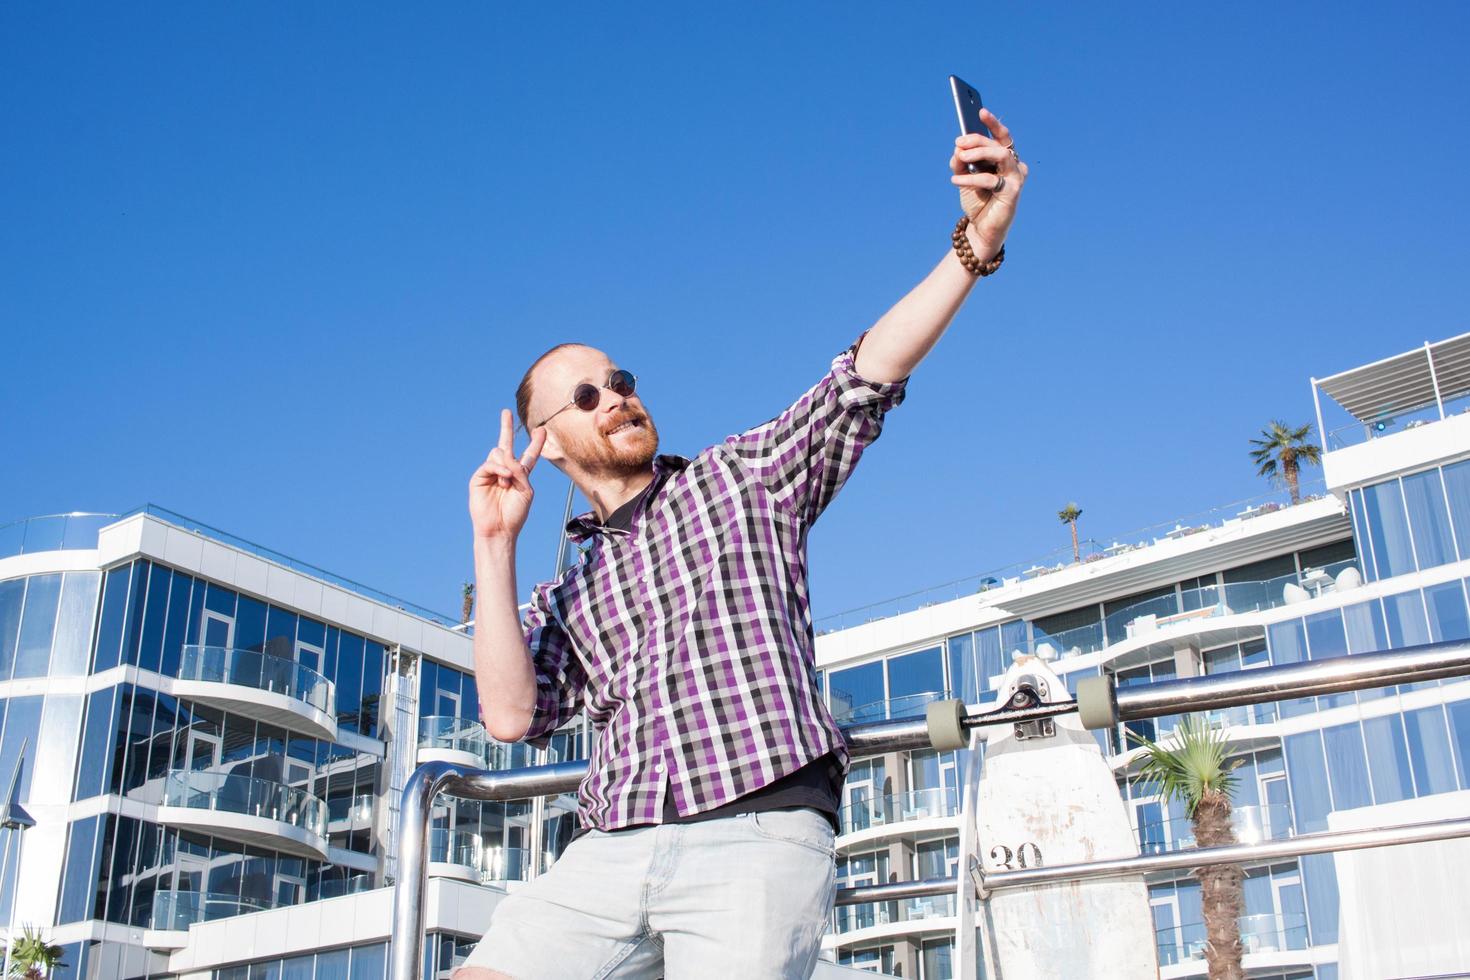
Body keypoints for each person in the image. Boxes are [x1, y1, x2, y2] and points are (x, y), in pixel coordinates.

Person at [457, 108, 1027, 979]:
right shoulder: (565, 592)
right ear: (545, 440)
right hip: (609, 846)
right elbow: (508, 716)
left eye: (619, 381)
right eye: (583, 397)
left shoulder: (740, 478)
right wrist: (494, 545)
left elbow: (865, 374)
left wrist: (972, 246)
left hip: (755, 830)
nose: (613, 397)